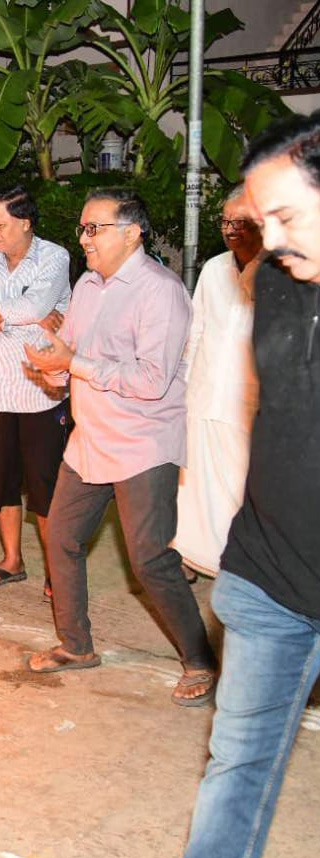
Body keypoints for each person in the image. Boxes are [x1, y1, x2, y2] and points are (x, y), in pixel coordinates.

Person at [173, 113, 320, 858]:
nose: (270, 239)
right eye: (260, 221)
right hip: (268, 580)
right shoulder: (270, 278)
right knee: (237, 764)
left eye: (287, 217)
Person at [22, 189, 219, 707]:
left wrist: (74, 364)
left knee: (150, 559)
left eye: (95, 228)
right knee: (60, 538)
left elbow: (152, 380)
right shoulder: (87, 285)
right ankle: (76, 646)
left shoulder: (161, 291)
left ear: (133, 232)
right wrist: (54, 373)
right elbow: (74, 353)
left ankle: (200, 660)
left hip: (143, 443)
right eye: (82, 228)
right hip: (90, 440)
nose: (84, 239)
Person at [0, 185, 71, 599]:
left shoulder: (54, 257)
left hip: (40, 390)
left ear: (25, 222)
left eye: (0, 225)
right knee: (0, 480)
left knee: (46, 485)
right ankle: (11, 561)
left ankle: (58, 573)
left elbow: (33, 309)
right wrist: (0, 317)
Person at [172, 187, 264, 578]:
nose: (231, 229)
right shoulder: (212, 269)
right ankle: (192, 559)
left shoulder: (283, 276)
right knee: (194, 492)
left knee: (244, 493)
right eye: (226, 221)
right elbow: (195, 332)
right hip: (204, 397)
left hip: (247, 408)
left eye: (240, 222)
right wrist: (181, 388)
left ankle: (244, 569)